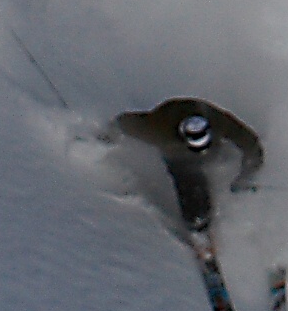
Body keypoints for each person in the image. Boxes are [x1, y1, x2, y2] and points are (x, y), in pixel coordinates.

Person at [104, 97, 264, 235]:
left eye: (204, 145)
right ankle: (198, 225)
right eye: (197, 147)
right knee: (190, 182)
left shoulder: (218, 122)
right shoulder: (158, 131)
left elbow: (250, 143)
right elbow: (124, 123)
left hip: (201, 129)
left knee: (219, 156)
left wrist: (246, 174)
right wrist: (108, 136)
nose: (201, 152)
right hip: (178, 155)